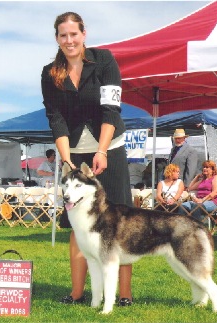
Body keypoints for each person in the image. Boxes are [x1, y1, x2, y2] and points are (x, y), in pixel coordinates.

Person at [41, 12, 133, 306]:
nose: (69, 41)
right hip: (75, 153)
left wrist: (103, 150)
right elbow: (56, 118)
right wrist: (67, 161)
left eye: (74, 34)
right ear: (57, 38)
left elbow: (111, 110)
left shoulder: (104, 60)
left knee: (120, 221)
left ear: (84, 34)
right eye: (63, 35)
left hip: (110, 147)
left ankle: (125, 294)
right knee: (77, 222)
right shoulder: (49, 72)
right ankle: (77, 292)